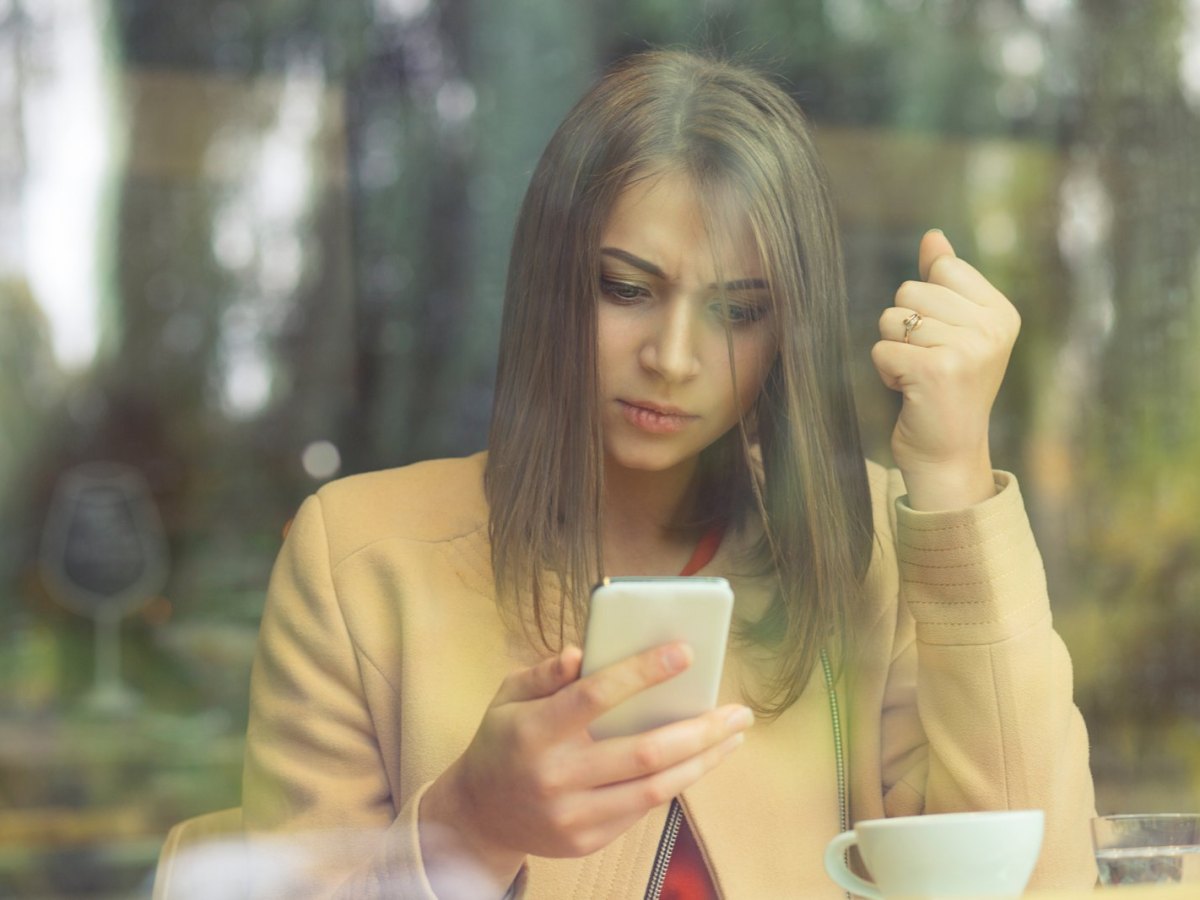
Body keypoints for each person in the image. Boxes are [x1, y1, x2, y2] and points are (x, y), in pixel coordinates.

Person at [241, 49, 1097, 898]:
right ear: (552, 281)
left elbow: (1038, 880)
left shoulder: (869, 549)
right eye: (625, 288)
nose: (673, 357)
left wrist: (952, 478)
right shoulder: (359, 558)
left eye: (736, 311)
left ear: (788, 328)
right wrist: (471, 826)